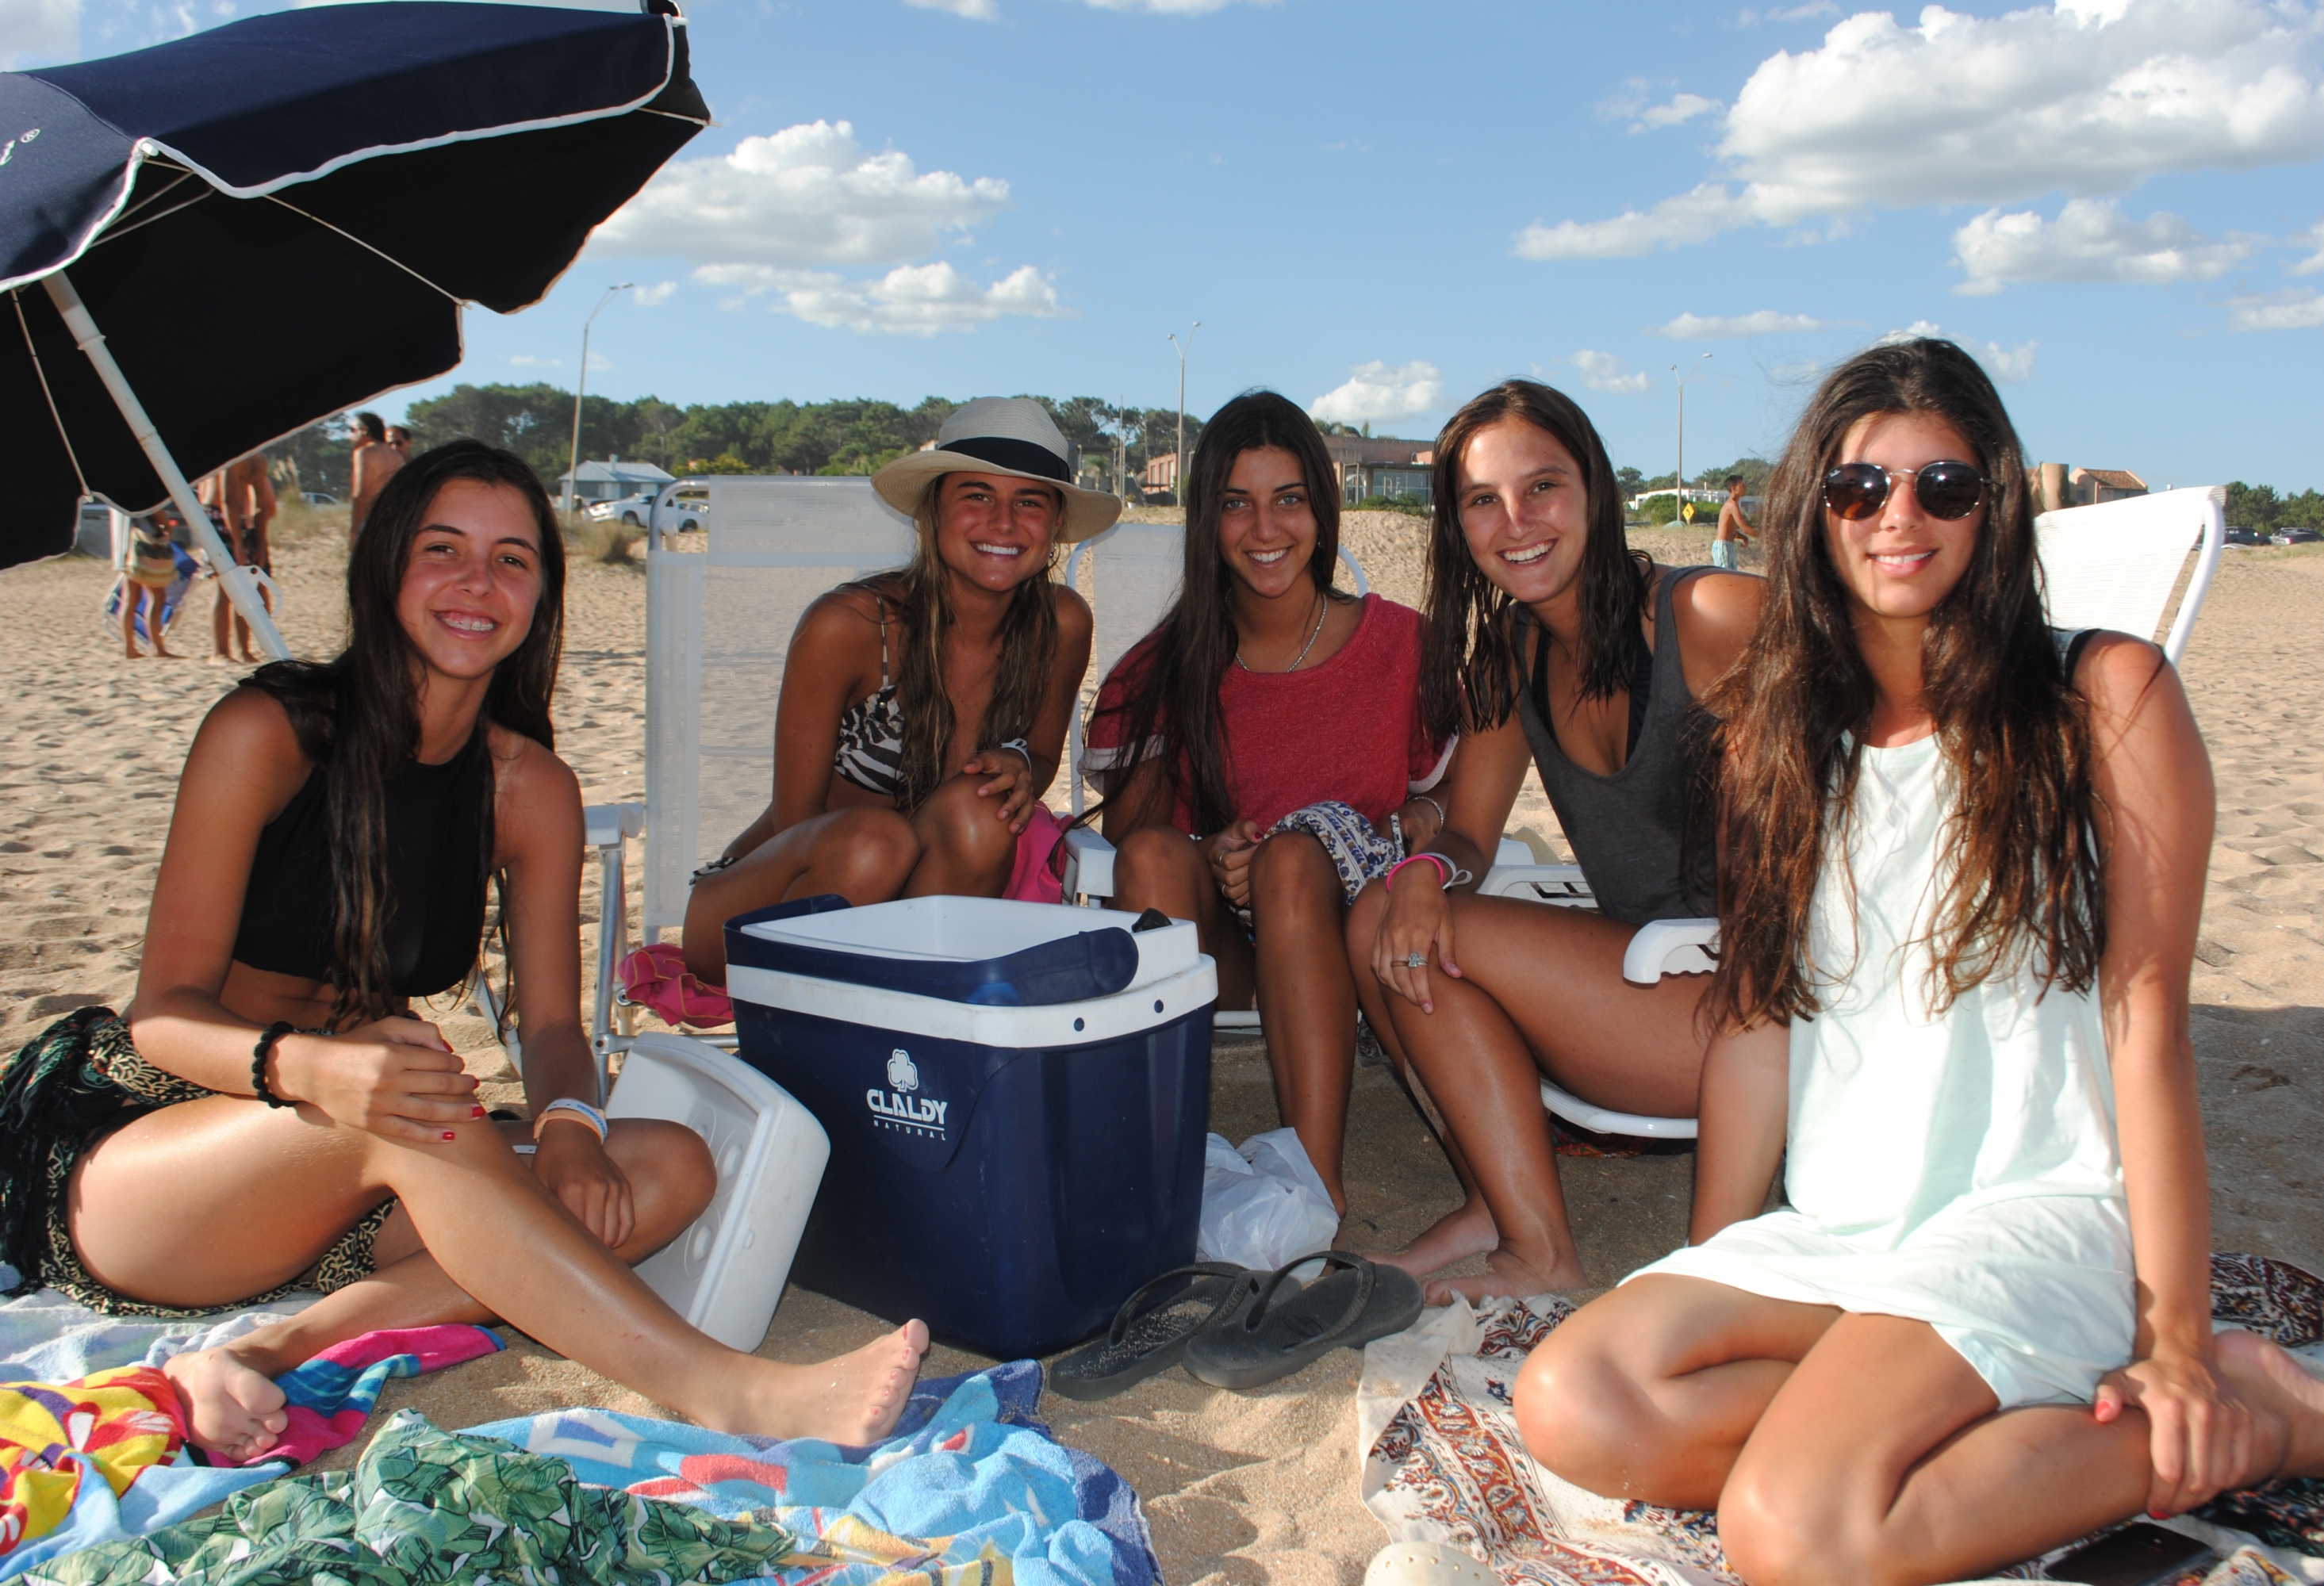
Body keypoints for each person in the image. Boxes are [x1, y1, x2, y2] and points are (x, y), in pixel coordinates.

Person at [1509, 339, 2324, 1584]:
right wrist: (1708, 1258)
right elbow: (1761, 1019)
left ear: (1994, 504)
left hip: (2033, 1206)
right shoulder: (1775, 744)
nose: (1897, 519)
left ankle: (2259, 1417)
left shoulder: (2102, 696)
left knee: (1793, 1532)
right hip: (1853, 1218)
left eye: (1942, 488)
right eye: (1860, 490)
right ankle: (1933, 1417)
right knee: (1579, 1400)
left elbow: (2148, 1021)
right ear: (1816, 513)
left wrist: (2175, 1335)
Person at [1, 439, 925, 1462]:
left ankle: (266, 1347)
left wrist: (570, 1123)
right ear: (389, 563)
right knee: (411, 1092)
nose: (477, 583)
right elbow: (163, 1011)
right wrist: (318, 1068)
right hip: (155, 1145)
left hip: (345, 1171)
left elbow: (553, 1027)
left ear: (541, 595)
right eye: (444, 549)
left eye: (513, 559)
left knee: (666, 1165)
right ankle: (719, 1384)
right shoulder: (266, 732)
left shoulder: (530, 788)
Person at [1349, 380, 1759, 1298]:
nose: (1516, 521)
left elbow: (1907, 678)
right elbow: (1468, 833)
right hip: (1647, 985)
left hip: (1758, 1015)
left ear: (1597, 491)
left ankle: (1528, 1234)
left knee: (1405, 918)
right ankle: (1511, 1213)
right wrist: (1423, 868)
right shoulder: (1512, 649)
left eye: (1543, 487)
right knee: (1387, 914)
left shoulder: (1706, 616)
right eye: (1482, 501)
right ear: (1457, 526)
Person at [1087, 391, 1452, 1216]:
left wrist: (1420, 821)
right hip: (1229, 956)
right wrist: (1212, 849)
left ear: (1321, 510)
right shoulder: (1161, 669)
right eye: (1236, 504)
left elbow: (1462, 794)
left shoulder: (1399, 646)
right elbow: (1133, 836)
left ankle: (1316, 1187)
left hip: (1364, 951)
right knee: (1152, 853)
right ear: (1206, 521)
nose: (1265, 530)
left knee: (1293, 857)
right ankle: (1154, 1163)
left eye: (1288, 499)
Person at [677, 398, 1103, 986]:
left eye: (1029, 501)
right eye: (977, 495)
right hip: (762, 909)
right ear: (932, 513)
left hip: (920, 913)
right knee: (874, 843)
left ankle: (907, 1020)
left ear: (1054, 524)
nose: (1004, 523)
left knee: (986, 807)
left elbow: (1043, 755)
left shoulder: (1060, 626)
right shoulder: (850, 627)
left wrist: (1019, 761)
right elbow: (796, 822)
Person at [199, 451, 277, 665]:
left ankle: (245, 649)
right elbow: (227, 501)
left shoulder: (259, 458)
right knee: (226, 587)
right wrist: (237, 544)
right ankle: (220, 652)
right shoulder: (231, 455)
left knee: (251, 585)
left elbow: (265, 506)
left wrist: (261, 544)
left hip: (242, 519)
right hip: (215, 515)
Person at [121, 515, 179, 660]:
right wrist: (166, 524)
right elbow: (152, 509)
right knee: (157, 596)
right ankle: (158, 647)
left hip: (126, 538)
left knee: (132, 597)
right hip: (143, 541)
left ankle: (130, 647)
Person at [349, 412, 403, 545]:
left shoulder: (365, 452)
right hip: (395, 521)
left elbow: (362, 494)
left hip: (373, 520)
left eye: (352, 430)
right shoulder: (395, 455)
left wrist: (354, 531)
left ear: (364, 430)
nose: (350, 435)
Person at [1712, 473, 1754, 571]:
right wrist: (1763, 536)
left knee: (1732, 576)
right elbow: (1745, 528)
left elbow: (1730, 529)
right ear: (1734, 488)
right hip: (1723, 546)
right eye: (1742, 485)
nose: (1745, 487)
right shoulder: (1732, 505)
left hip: (1728, 546)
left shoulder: (1734, 505)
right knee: (1726, 578)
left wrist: (1743, 537)